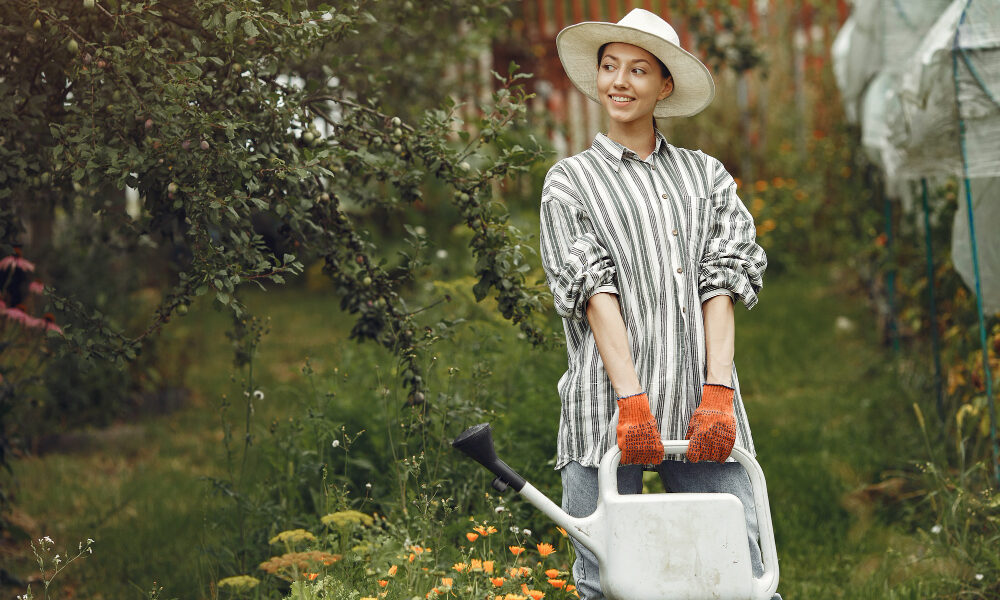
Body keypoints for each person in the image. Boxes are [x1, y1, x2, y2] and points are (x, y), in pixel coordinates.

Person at [538, 8, 780, 600]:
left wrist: (717, 392)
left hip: (702, 408)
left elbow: (720, 284)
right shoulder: (570, 182)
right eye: (610, 66)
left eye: (638, 70)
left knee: (740, 577)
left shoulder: (706, 177)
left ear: (665, 86)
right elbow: (594, 294)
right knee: (605, 581)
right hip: (606, 410)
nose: (619, 81)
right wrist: (631, 401)